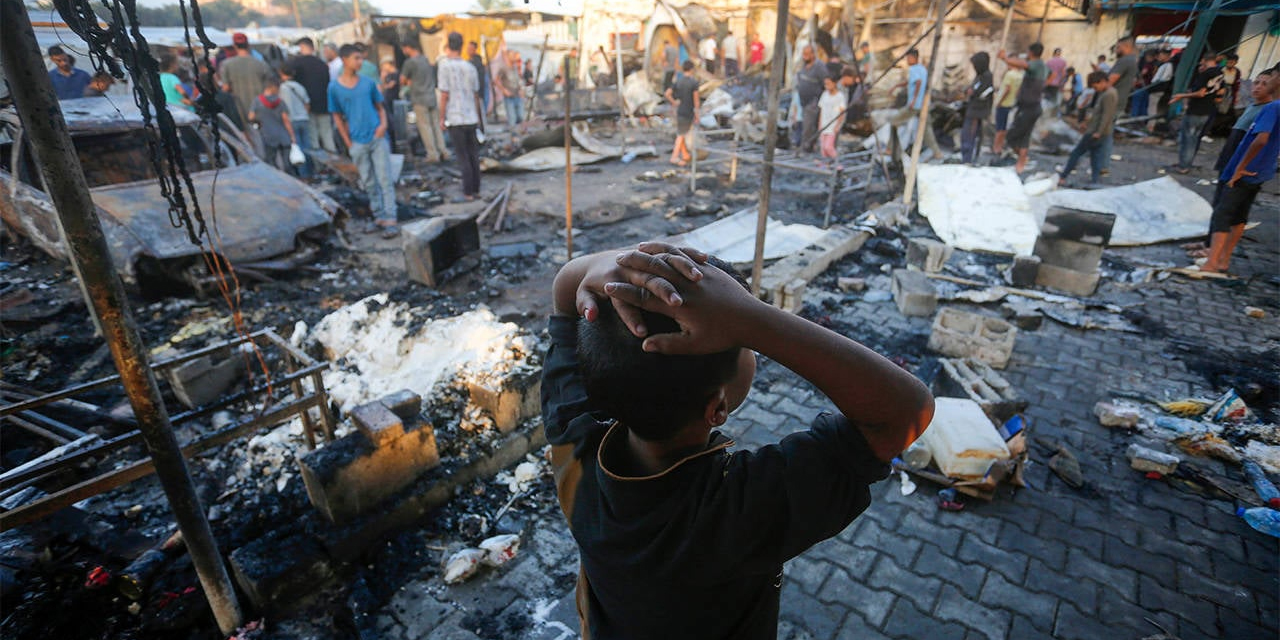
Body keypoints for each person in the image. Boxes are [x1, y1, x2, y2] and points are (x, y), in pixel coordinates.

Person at [542, 241, 932, 640]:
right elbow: (905, 411)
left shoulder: (575, 439)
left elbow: (564, 292)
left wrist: (608, 263)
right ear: (718, 408)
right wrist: (751, 318)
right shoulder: (737, 511)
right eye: (745, 344)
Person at [1201, 70, 1278, 273]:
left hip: (1246, 170)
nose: (1262, 84)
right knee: (1239, 215)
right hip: (1259, 171)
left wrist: (1240, 167)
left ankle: (1212, 262)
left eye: (1269, 79)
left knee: (1223, 213)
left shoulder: (1272, 107)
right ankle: (1222, 260)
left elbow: (1260, 139)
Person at [329, 43, 399, 238]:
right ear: (344, 60)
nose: (360, 62)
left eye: (361, 58)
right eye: (356, 58)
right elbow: (336, 116)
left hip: (377, 137)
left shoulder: (367, 83)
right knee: (368, 181)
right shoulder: (334, 88)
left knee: (385, 178)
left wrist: (382, 126)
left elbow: (380, 107)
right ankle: (378, 216)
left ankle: (391, 218)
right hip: (357, 141)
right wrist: (348, 142)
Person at [439, 32, 484, 202]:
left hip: (455, 117)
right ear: (462, 45)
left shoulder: (444, 66)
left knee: (463, 155)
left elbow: (444, 95)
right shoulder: (470, 67)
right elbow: (475, 95)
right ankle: (476, 189)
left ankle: (467, 192)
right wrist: (479, 118)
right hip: (471, 116)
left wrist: (441, 117)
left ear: (448, 44)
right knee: (473, 154)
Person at [1058, 71, 1116, 186]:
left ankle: (1063, 176)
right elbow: (1098, 113)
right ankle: (1095, 180)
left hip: (1096, 131)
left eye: (1096, 86)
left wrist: (1098, 132)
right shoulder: (1107, 93)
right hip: (1099, 130)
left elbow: (1106, 115)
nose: (1096, 89)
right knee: (1095, 155)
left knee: (1077, 152)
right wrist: (1087, 122)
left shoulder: (1109, 94)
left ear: (1103, 82)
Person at [1169, 50, 1223, 174]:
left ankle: (1183, 166)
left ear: (1204, 60)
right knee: (1194, 139)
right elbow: (1220, 92)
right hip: (1207, 111)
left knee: (1187, 139)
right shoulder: (1219, 73)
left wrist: (1181, 96)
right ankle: (1186, 163)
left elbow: (1200, 93)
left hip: (1196, 110)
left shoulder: (1206, 74)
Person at [999, 43, 1048, 173]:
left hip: (1029, 108)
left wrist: (1005, 59)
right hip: (1031, 106)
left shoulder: (1036, 64)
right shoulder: (1042, 66)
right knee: (1024, 137)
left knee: (1012, 136)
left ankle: (1021, 160)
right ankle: (1021, 162)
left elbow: (1023, 64)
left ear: (1031, 52)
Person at [220, 36, 274, 155]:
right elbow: (270, 88)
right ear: (248, 45)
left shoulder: (227, 65)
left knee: (248, 142)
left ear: (234, 46)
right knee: (264, 138)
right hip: (261, 108)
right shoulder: (261, 64)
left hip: (240, 110)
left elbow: (226, 88)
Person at [890, 48, 942, 159]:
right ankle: (937, 152)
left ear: (913, 58)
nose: (907, 60)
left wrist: (913, 100)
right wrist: (896, 86)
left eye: (908, 58)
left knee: (894, 121)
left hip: (914, 105)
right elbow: (911, 82)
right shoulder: (922, 69)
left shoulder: (913, 69)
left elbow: (918, 82)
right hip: (924, 104)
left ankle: (890, 148)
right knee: (927, 129)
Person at [401, 40, 448, 163]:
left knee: (425, 127)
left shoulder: (410, 63)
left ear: (407, 48)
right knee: (436, 126)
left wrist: (408, 82)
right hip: (431, 97)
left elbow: (402, 80)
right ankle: (443, 151)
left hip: (419, 99)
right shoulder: (426, 59)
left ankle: (433, 155)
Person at [292, 37, 338, 154]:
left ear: (302, 47)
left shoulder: (297, 64)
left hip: (307, 106)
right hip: (324, 104)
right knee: (327, 135)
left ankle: (319, 166)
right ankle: (334, 162)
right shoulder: (322, 64)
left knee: (313, 137)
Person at [249, 78, 296, 173]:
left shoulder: (257, 101)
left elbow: (251, 117)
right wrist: (292, 136)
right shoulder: (280, 101)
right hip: (283, 136)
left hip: (268, 136)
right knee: (287, 163)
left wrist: (259, 121)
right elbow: (286, 120)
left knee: (271, 162)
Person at [279, 65, 313, 177]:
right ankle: (311, 172)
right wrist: (304, 114)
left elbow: (283, 108)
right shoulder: (299, 86)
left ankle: (304, 175)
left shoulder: (282, 88)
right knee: (307, 147)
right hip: (303, 119)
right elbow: (307, 102)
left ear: (282, 74)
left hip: (291, 121)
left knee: (297, 149)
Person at [960, 51, 993, 164]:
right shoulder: (980, 76)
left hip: (977, 111)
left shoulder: (987, 76)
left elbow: (984, 93)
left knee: (970, 135)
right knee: (967, 135)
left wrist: (973, 92)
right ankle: (966, 158)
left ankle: (968, 159)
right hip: (973, 109)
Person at [665, 60, 700, 166]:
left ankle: (685, 154)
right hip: (688, 111)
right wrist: (697, 114)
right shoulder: (694, 82)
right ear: (692, 69)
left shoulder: (678, 81)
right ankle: (674, 157)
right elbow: (696, 101)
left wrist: (674, 102)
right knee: (681, 135)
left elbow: (667, 94)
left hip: (680, 110)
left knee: (682, 132)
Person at [796, 45, 829, 154]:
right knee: (805, 126)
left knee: (808, 127)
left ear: (812, 54)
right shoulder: (804, 65)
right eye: (803, 54)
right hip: (803, 102)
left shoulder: (819, 67)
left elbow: (826, 83)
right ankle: (809, 147)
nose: (804, 57)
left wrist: (818, 99)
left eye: (806, 54)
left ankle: (805, 149)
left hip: (813, 102)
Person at [992, 60, 1024, 156]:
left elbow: (1007, 89)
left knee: (999, 128)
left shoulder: (1009, 74)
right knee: (1005, 128)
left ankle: (996, 148)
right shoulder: (1020, 76)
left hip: (1004, 104)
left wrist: (999, 102)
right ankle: (1000, 147)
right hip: (1012, 104)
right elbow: (1019, 90)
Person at [817, 76, 845, 164]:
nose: (827, 86)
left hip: (832, 125)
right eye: (825, 84)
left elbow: (842, 112)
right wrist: (820, 124)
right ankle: (826, 165)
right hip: (824, 124)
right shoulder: (825, 94)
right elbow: (821, 110)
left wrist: (837, 125)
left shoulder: (839, 96)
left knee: (828, 147)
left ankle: (838, 164)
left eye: (828, 84)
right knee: (823, 148)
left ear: (834, 83)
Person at [496, 49, 525, 126]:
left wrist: (521, 89)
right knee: (512, 118)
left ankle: (520, 133)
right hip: (509, 97)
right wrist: (503, 90)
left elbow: (518, 80)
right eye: (512, 56)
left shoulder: (515, 68)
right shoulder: (503, 68)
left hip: (517, 95)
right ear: (508, 57)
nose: (514, 57)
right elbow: (496, 80)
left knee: (521, 116)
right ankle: (514, 135)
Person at [379, 59, 401, 151]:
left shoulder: (396, 74)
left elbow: (390, 85)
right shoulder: (387, 75)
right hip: (387, 100)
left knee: (394, 123)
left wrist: (384, 85)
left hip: (394, 100)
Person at [466, 41, 491, 114]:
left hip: (477, 92)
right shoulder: (471, 61)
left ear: (474, 50)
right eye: (468, 48)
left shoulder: (476, 62)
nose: (468, 50)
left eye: (470, 49)